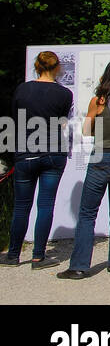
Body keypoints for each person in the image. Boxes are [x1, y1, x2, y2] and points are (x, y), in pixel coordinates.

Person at [58, 56, 110, 279]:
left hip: (101, 157)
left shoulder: (99, 100)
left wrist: (94, 113)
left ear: (108, 74)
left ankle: (79, 266)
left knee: (87, 214)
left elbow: (87, 131)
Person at [4, 52, 74, 268]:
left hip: (26, 152)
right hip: (53, 153)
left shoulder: (22, 89)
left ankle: (13, 255)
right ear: (57, 68)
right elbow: (63, 123)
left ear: (37, 66)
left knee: (21, 207)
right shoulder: (64, 93)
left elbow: (15, 119)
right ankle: (38, 256)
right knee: (45, 205)